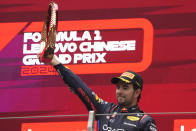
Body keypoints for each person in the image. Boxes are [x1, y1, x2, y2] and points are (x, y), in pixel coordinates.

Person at [38, 54, 157, 131]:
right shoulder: (106, 109)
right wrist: (55, 62)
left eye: (125, 88)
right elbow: (81, 88)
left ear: (137, 92)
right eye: (118, 87)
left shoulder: (144, 121)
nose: (119, 92)